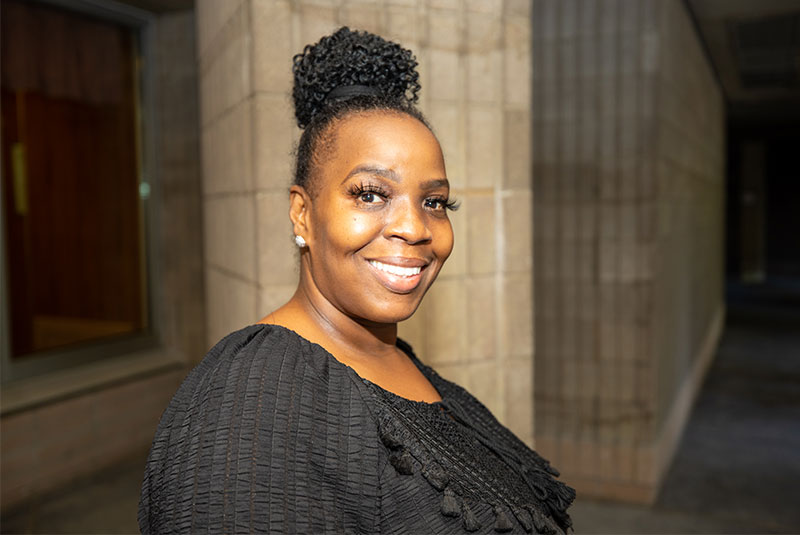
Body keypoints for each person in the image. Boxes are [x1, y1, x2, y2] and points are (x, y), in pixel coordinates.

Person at [138, 27, 574, 534]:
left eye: (434, 202)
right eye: (370, 194)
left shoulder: (393, 358)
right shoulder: (254, 400)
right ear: (302, 214)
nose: (415, 227)